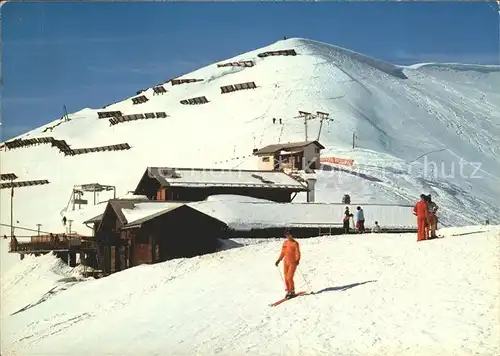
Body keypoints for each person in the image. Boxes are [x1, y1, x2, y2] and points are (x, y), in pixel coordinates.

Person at [275, 229, 301, 298]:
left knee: (289, 277)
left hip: (293, 262)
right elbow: (283, 252)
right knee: (286, 277)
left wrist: (297, 260)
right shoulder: (285, 243)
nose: (287, 236)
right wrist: (279, 259)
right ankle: (288, 291)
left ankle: (292, 291)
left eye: (288, 235)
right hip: (285, 262)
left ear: (291, 235)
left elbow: (298, 253)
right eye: (286, 235)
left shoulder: (295, 243)